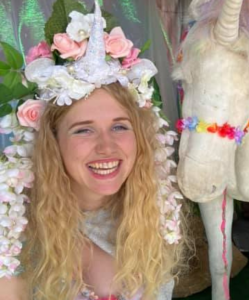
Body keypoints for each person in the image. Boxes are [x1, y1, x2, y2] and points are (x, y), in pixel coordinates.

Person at [0, 1, 187, 300]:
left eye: (120, 126)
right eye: (84, 129)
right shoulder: (12, 236)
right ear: (51, 141)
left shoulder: (152, 214)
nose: (106, 146)